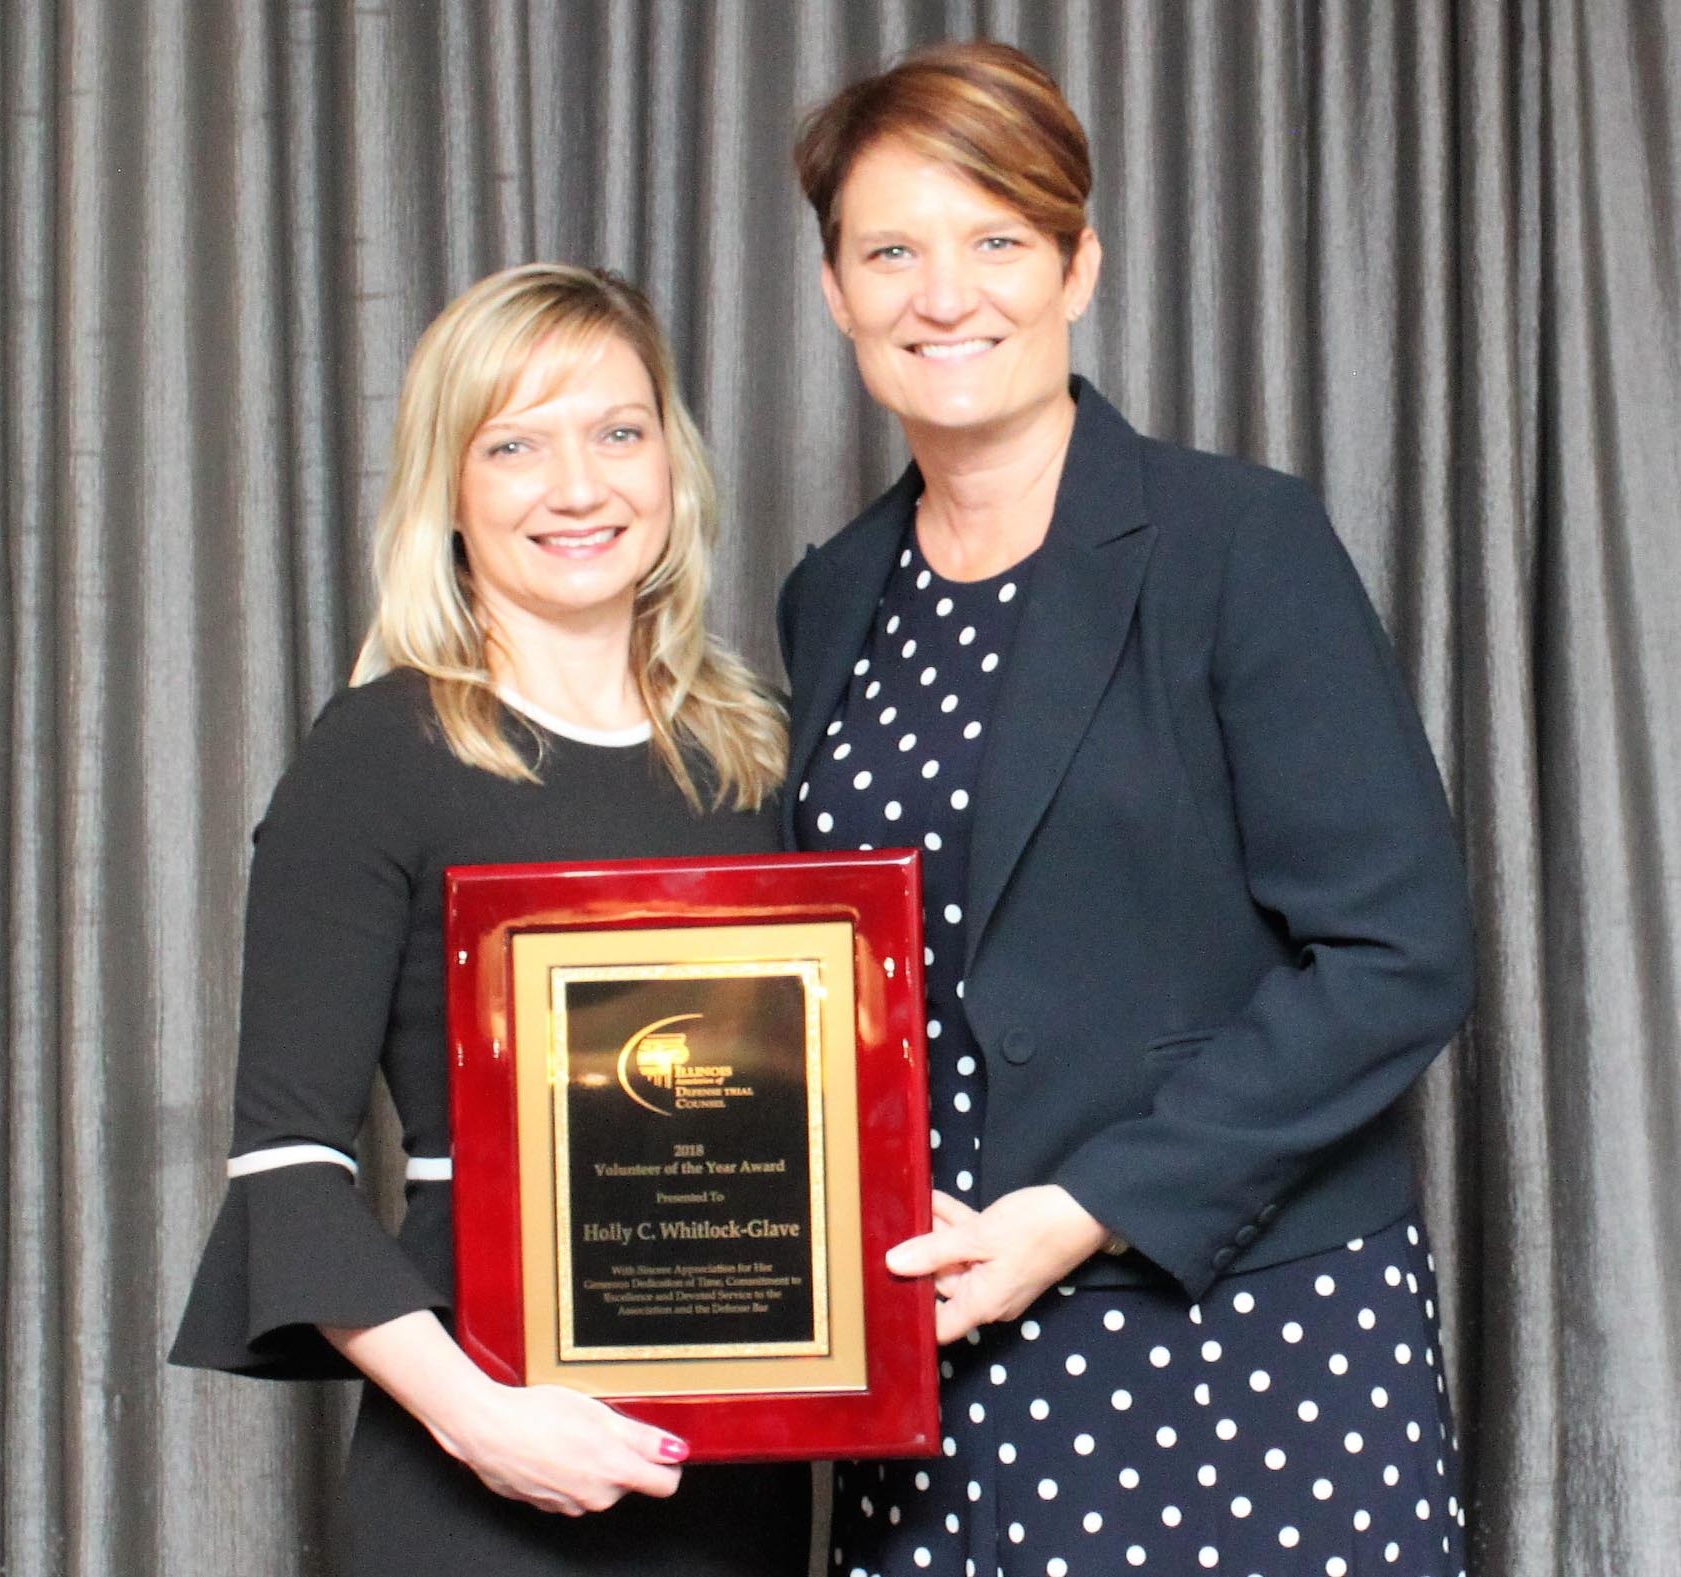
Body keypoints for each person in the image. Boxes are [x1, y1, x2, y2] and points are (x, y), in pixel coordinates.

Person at [780, 42, 1475, 1577]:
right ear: (835, 291)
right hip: (946, 1360)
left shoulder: (1241, 542)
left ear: (1079, 264)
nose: (942, 294)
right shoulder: (831, 600)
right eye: (891, 249)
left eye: (997, 241)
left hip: (1245, 1339)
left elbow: (1397, 953)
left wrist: (1089, 1205)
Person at [171, 263, 807, 1575]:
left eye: (618, 432)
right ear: (449, 492)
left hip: (739, 1461)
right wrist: (483, 1421)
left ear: (673, 465)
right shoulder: (380, 754)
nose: (579, 487)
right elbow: (287, 1168)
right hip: (479, 1464)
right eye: (514, 444)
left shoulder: (760, 758)